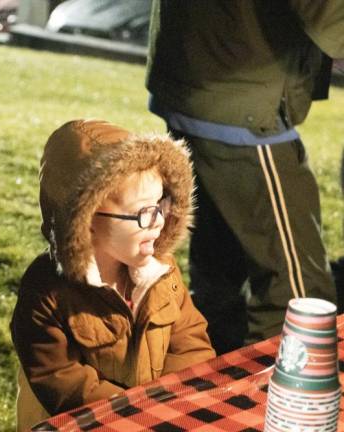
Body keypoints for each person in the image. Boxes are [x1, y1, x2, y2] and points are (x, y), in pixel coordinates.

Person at [146, 1, 344, 354]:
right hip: (242, 102)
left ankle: (208, 380)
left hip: (193, 80)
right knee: (299, 295)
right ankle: (273, 399)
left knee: (220, 271)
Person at [10, 120, 215, 431]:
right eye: (142, 212)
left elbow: (189, 342)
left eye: (161, 204)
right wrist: (136, 414)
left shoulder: (159, 273)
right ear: (86, 219)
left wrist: (174, 402)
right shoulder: (47, 292)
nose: (158, 221)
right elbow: (61, 380)